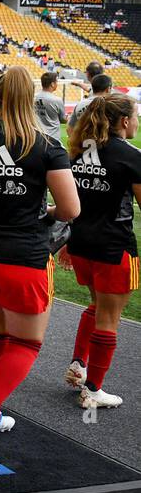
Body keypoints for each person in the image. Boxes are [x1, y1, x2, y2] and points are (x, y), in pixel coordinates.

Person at [0, 66, 79, 463]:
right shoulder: (46, 146)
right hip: (22, 257)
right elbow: (70, 209)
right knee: (26, 342)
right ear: (32, 98)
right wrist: (40, 211)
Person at [64, 93, 141, 409]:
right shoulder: (130, 156)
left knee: (97, 307)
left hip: (80, 244)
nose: (137, 121)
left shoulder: (80, 152)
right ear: (124, 121)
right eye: (135, 116)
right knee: (110, 317)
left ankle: (79, 364)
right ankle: (93, 391)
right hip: (114, 248)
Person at [35, 71, 68, 138]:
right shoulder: (57, 100)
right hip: (53, 138)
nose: (57, 84)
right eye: (57, 81)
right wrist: (68, 117)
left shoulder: (33, 97)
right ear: (52, 84)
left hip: (38, 136)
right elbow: (63, 120)